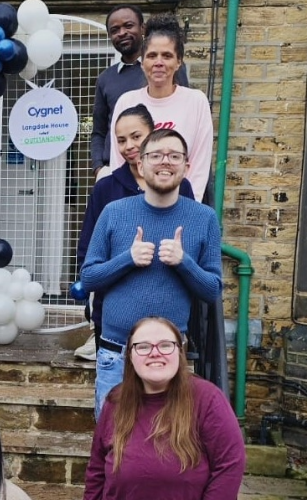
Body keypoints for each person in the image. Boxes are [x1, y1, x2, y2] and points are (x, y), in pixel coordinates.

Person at [80, 128, 222, 418]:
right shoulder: (114, 212)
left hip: (169, 357)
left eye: (174, 156)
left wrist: (184, 262)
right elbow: (89, 278)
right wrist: (127, 259)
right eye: (155, 155)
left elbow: (212, 289)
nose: (165, 162)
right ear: (141, 165)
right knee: (113, 445)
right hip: (117, 355)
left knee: (168, 444)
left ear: (187, 166)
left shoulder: (204, 218)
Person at [74, 104, 194, 361]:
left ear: (152, 135)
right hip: (114, 320)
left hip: (167, 323)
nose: (128, 145)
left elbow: (193, 250)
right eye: (121, 140)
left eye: (136, 137)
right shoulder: (106, 188)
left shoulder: (180, 186)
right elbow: (87, 254)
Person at [83, 317, 246, 500]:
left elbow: (230, 465)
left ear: (180, 352)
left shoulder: (207, 399)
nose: (155, 353)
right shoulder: (116, 401)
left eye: (166, 345)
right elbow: (96, 472)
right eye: (143, 346)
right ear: (130, 355)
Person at [108, 13, 213, 202]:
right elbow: (118, 162)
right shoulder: (126, 102)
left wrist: (188, 208)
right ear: (142, 62)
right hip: (134, 205)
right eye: (151, 55)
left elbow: (199, 165)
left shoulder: (196, 102)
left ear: (178, 61)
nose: (159, 62)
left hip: (181, 204)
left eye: (167, 56)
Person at [91, 5, 188, 179]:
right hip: (116, 169)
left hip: (161, 170)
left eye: (128, 26)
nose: (122, 33)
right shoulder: (106, 78)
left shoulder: (164, 70)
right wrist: (99, 167)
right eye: (115, 30)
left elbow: (183, 117)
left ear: (142, 28)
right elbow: (99, 131)